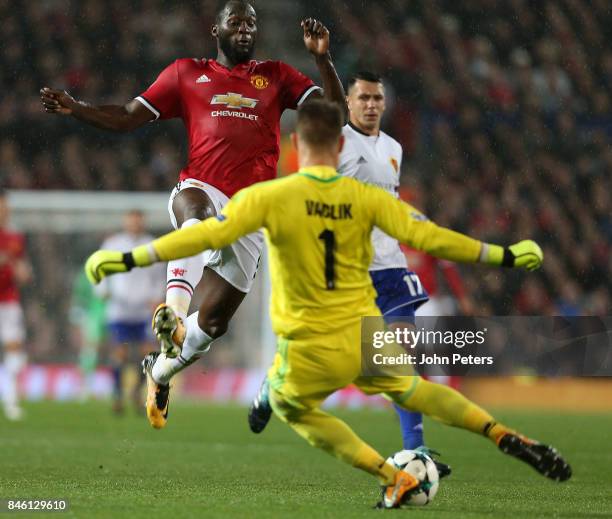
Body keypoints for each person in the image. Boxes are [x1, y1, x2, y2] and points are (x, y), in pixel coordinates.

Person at [84, 100, 571, 508]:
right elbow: (433, 237)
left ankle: (390, 474)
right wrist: (504, 255)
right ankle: (501, 432)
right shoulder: (365, 197)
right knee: (415, 390)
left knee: (294, 409)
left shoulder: (270, 196)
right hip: (363, 332)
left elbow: (204, 235)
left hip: (308, 345)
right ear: (339, 147)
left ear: (295, 147)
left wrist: (128, 257)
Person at [40, 0, 345, 427]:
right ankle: (174, 315)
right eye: (235, 22)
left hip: (252, 212)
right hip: (200, 188)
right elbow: (129, 116)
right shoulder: (186, 73)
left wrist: (321, 58)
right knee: (196, 220)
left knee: (214, 326)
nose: (244, 29)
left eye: (251, 23)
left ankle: (160, 370)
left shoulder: (276, 75)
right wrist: (77, 108)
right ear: (215, 30)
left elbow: (336, 117)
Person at [247, 71, 448, 476]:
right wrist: (324, 59)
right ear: (349, 104)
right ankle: (275, 384)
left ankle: (418, 449)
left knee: (399, 353)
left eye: (377, 98)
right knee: (324, 361)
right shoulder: (335, 143)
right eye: (363, 98)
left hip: (389, 267)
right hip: (344, 272)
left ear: (385, 103)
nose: (371, 104)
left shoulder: (394, 148)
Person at [95, 211, 165, 414]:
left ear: (143, 222)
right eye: (131, 220)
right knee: (120, 353)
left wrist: (157, 296)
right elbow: (100, 270)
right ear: (126, 222)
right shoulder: (113, 244)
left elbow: (160, 276)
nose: (135, 224)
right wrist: (102, 291)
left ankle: (136, 391)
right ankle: (117, 395)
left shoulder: (152, 245)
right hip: (119, 309)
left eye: (138, 220)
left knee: (148, 353)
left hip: (144, 309)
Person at [0, 189, 32, 421]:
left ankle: (11, 401)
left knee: (15, 351)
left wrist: (24, 271)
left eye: (5, 207)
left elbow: (22, 269)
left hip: (9, 301)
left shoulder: (15, 238)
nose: (4, 211)